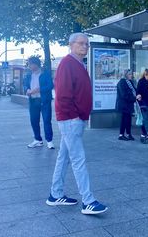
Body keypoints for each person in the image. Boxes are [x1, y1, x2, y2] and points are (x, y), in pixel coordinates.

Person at [46, 32, 108, 215]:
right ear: (71, 44)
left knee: (64, 157)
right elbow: (63, 95)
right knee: (78, 159)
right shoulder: (67, 63)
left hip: (75, 118)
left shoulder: (79, 64)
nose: (85, 47)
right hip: (71, 119)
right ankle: (88, 201)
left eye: (87, 44)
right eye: (81, 43)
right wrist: (75, 116)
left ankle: (55, 195)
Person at [23, 56, 54, 149]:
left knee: (46, 120)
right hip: (33, 101)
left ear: (36, 64)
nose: (29, 66)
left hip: (44, 101)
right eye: (28, 64)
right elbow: (25, 85)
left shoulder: (45, 74)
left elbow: (51, 85)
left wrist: (39, 90)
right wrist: (27, 90)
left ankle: (49, 141)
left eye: (30, 64)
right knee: (34, 121)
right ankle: (38, 140)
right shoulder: (28, 75)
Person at [115, 69, 136, 141]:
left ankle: (128, 134)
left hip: (129, 104)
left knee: (128, 119)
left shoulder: (130, 82)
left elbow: (134, 90)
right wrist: (134, 98)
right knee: (124, 119)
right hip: (124, 104)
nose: (131, 76)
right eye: (130, 74)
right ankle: (121, 135)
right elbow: (124, 95)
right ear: (126, 75)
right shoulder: (122, 82)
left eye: (131, 74)